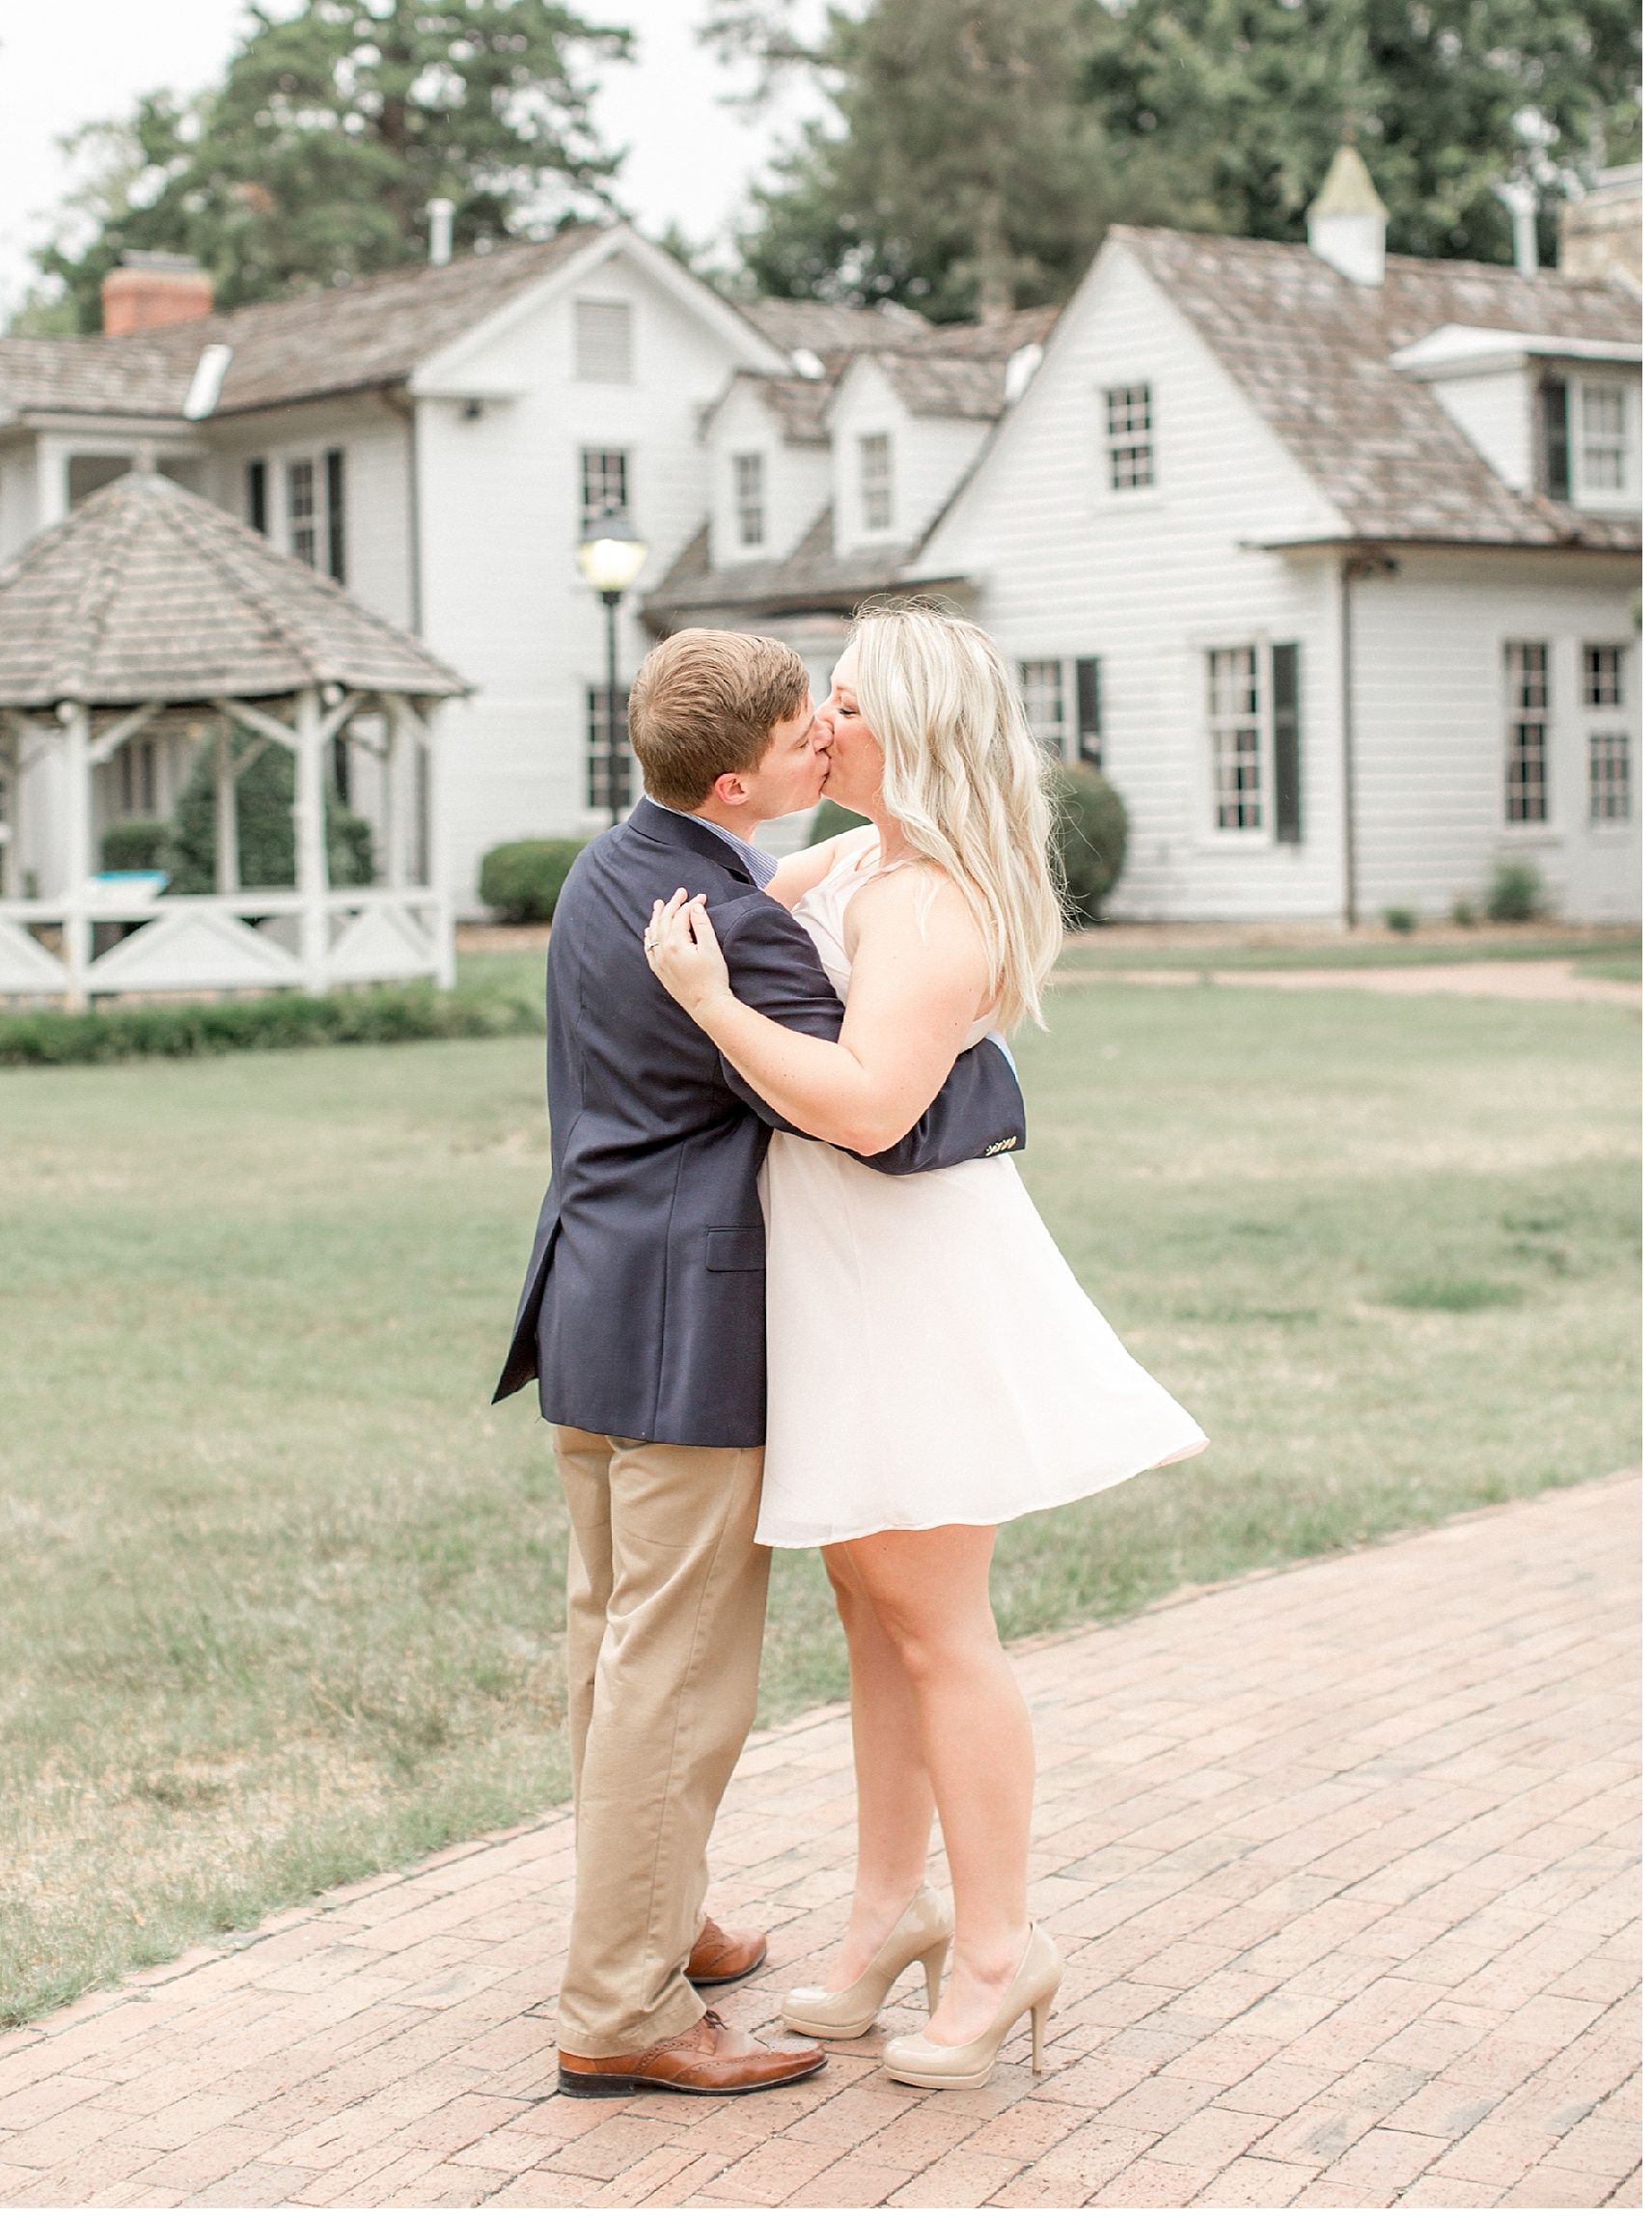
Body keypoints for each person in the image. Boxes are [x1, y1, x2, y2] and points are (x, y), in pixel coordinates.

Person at [644, 603, 1205, 2092]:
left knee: (941, 1629)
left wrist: (707, 1005)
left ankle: (1002, 1943)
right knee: (875, 1611)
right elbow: (743, 864)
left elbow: (869, 1104)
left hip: (912, 1288)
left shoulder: (935, 900)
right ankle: (885, 1917)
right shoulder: (864, 856)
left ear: (913, 724)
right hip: (845, 1280)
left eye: (842, 702)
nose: (818, 727)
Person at [493, 626, 1027, 2100]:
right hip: (685, 1328)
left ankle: (659, 1913)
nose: (827, 732)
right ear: (742, 775)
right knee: (676, 1675)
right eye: (809, 718)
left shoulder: (620, 865)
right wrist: (994, 1068)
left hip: (588, 1302)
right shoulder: (736, 930)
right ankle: (622, 2002)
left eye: (842, 709)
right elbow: (884, 1116)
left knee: (617, 1643)